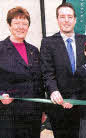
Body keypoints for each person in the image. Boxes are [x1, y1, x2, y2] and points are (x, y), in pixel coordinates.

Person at [40, 3, 86, 138]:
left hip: (83, 104)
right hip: (59, 104)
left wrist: (78, 97)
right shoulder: (48, 43)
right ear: (57, 20)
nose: (66, 20)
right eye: (62, 17)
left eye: (70, 16)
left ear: (75, 20)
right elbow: (47, 72)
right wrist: (53, 90)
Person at [0, 6, 43, 138]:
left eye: (24, 23)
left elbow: (39, 82)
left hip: (33, 114)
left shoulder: (34, 50)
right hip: (8, 114)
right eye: (16, 23)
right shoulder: (1, 49)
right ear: (9, 25)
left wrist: (42, 110)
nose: (21, 27)